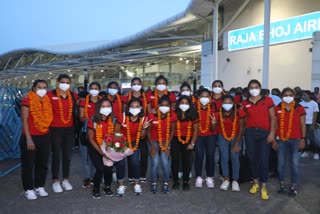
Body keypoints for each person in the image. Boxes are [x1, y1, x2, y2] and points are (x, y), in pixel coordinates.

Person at [242, 79, 276, 200]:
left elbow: (273, 118)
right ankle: (255, 182)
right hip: (250, 133)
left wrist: (272, 133)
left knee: (263, 159)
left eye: (256, 87)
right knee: (252, 158)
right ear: (248, 89)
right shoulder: (245, 102)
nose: (254, 89)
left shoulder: (268, 100)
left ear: (260, 88)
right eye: (251, 87)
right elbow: (244, 118)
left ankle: (263, 187)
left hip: (264, 133)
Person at [20, 80, 53, 200]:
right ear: (34, 88)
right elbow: (24, 120)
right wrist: (28, 139)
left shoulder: (47, 100)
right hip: (30, 137)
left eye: (44, 87)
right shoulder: (27, 100)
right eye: (39, 87)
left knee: (42, 163)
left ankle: (40, 186)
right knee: (28, 165)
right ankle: (28, 189)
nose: (42, 89)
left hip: (44, 136)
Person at [47, 74, 78, 193]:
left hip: (69, 129)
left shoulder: (73, 95)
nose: (65, 84)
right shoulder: (50, 95)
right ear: (57, 82)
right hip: (55, 129)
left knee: (67, 155)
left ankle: (65, 179)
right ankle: (55, 180)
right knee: (56, 155)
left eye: (67, 82)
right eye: (62, 82)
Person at [114, 98, 152, 195]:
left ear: (141, 108)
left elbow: (143, 136)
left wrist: (144, 128)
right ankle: (121, 185)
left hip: (135, 142)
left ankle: (136, 184)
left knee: (135, 163)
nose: (134, 108)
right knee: (121, 164)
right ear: (128, 107)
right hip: (121, 141)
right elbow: (116, 131)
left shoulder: (144, 118)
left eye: (137, 106)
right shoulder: (122, 117)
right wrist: (120, 146)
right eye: (132, 106)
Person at [273, 87, 306, 197]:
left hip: (296, 139)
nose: (288, 97)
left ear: (294, 96)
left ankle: (294, 186)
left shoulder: (299, 108)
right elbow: (275, 124)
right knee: (280, 163)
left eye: (290, 95)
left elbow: (302, 125)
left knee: (295, 164)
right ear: (282, 96)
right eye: (285, 95)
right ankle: (282, 184)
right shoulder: (277, 108)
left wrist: (303, 138)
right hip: (281, 140)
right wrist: (273, 139)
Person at [122, 77, 150, 183]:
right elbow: (124, 111)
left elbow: (150, 110)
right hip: (130, 127)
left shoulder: (146, 97)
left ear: (141, 85)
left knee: (143, 153)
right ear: (131, 85)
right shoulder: (126, 97)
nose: (136, 85)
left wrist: (146, 124)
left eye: (138, 83)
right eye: (134, 83)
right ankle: (131, 176)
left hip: (144, 125)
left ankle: (142, 175)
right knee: (131, 153)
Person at [147, 95, 177, 194]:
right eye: (162, 105)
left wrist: (168, 146)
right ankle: (154, 182)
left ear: (170, 106)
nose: (164, 107)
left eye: (167, 105)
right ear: (158, 105)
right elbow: (147, 132)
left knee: (165, 162)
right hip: (153, 140)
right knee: (155, 162)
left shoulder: (172, 115)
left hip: (166, 140)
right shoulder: (152, 115)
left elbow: (172, 131)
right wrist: (152, 147)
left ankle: (165, 182)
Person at [87, 98, 115, 199]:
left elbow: (115, 135)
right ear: (99, 108)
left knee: (109, 168)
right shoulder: (93, 119)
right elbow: (90, 138)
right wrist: (101, 152)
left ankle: (107, 186)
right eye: (103, 106)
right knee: (100, 168)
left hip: (108, 147)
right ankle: (96, 187)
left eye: (108, 106)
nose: (106, 108)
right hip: (95, 147)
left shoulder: (113, 119)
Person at [217, 95, 245, 192]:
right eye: (225, 103)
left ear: (233, 104)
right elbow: (214, 128)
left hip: (236, 136)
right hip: (222, 136)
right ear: (222, 103)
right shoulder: (218, 113)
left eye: (230, 103)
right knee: (224, 157)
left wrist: (237, 143)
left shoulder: (238, 112)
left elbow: (242, 128)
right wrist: (213, 123)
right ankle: (226, 179)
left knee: (234, 157)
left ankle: (235, 180)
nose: (227, 105)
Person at [171, 95, 199, 191]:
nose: (184, 105)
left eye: (186, 103)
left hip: (188, 140)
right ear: (178, 104)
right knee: (175, 160)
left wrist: (192, 143)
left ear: (190, 104)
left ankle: (186, 181)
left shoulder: (194, 114)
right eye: (182, 103)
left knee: (186, 160)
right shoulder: (174, 113)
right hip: (175, 139)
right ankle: (175, 181)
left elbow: (195, 131)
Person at [78, 82, 101, 188]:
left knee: (96, 156)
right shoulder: (83, 102)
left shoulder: (103, 102)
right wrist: (91, 119)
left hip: (100, 133)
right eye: (92, 88)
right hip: (86, 132)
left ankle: (96, 176)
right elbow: (81, 117)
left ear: (99, 90)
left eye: (96, 88)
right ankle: (88, 177)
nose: (94, 90)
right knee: (85, 157)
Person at [194, 88, 217, 188]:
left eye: (207, 96)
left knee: (210, 155)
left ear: (210, 98)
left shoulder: (213, 108)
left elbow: (213, 129)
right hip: (198, 135)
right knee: (199, 155)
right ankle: (198, 177)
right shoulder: (194, 108)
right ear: (198, 97)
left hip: (211, 135)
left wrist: (213, 123)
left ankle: (209, 177)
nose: (205, 98)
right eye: (202, 96)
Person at [299, 90, 319, 159]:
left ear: (309, 95)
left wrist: (313, 124)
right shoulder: (301, 103)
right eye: (302, 95)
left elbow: (315, 114)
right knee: (303, 138)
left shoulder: (314, 103)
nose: (303, 96)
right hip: (302, 123)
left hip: (310, 123)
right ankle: (304, 152)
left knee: (312, 139)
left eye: (304, 95)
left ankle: (316, 153)